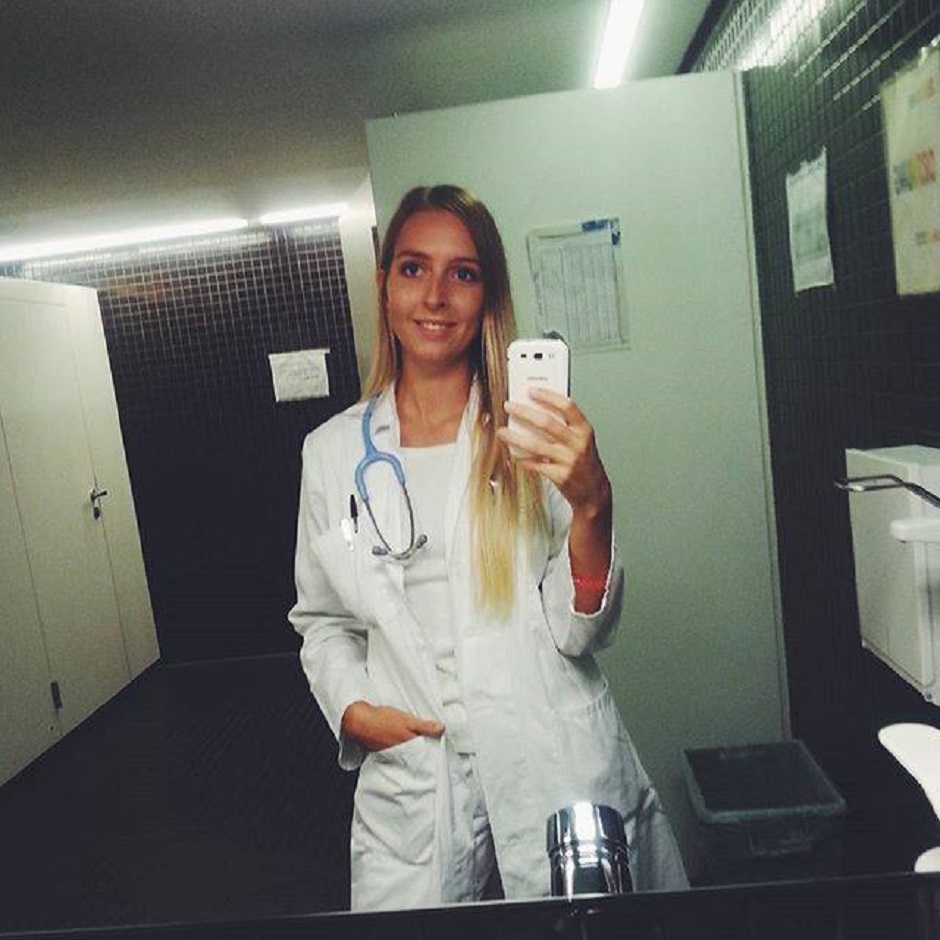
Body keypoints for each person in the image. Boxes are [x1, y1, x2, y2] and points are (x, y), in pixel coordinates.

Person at [289, 184, 687, 911]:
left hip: (547, 753)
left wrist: (593, 503)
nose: (435, 295)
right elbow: (323, 620)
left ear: (487, 296)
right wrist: (352, 710)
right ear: (384, 285)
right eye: (414, 268)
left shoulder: (533, 433)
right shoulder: (331, 453)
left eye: (463, 273)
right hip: (417, 772)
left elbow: (581, 628)